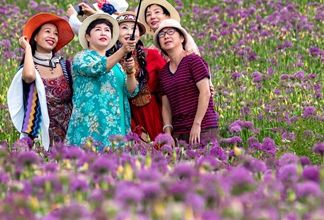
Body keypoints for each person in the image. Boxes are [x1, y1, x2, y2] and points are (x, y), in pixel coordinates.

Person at [67, 13, 139, 148]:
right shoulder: (82, 57)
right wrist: (122, 51)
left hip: (117, 124)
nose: (103, 32)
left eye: (107, 30)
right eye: (98, 29)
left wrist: (130, 72)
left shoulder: (117, 64)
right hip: (91, 125)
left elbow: (131, 91)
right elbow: (97, 68)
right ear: (87, 37)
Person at [6, 13, 76, 150]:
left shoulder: (65, 65)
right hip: (42, 134)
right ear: (36, 37)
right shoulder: (30, 68)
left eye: (55, 34)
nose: (52, 36)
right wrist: (27, 48)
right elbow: (29, 76)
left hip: (69, 133)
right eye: (47, 32)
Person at [153, 19, 219, 145]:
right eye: (161, 34)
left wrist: (196, 124)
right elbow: (166, 107)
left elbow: (205, 93)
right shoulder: (163, 73)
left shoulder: (193, 61)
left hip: (203, 127)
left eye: (171, 32)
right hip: (178, 131)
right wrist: (167, 133)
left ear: (182, 38)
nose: (166, 36)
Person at [115, 12, 166, 142]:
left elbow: (169, 84)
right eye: (124, 28)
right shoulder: (112, 62)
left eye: (133, 28)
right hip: (127, 116)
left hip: (155, 113)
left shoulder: (152, 55)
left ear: (139, 34)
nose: (129, 32)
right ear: (115, 33)